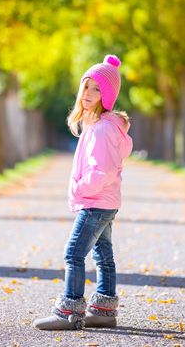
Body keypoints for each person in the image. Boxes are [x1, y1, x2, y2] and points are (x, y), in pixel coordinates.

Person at [33, 54, 133, 330]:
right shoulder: (100, 125)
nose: (88, 93)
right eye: (86, 86)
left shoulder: (102, 129)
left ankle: (70, 312)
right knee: (103, 254)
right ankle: (103, 309)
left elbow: (104, 171)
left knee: (73, 254)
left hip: (95, 202)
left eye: (97, 89)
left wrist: (79, 188)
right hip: (104, 201)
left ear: (108, 95)